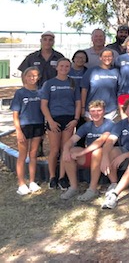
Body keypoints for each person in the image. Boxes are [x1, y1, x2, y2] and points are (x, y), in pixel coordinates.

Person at [59, 100, 114, 201]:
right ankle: (73, 187)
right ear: (89, 112)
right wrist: (66, 150)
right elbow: (71, 140)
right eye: (93, 111)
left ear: (104, 111)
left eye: (99, 110)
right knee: (69, 152)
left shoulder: (109, 124)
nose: (96, 114)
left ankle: (92, 189)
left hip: (105, 158)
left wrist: (81, 153)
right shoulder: (87, 125)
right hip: (90, 156)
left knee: (97, 152)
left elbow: (100, 142)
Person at [40, 58, 82, 190]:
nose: (64, 68)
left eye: (67, 66)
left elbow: (78, 103)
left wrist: (75, 119)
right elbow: (44, 105)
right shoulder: (49, 84)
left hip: (69, 120)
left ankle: (62, 178)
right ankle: (52, 177)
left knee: (65, 149)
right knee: (54, 149)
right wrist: (50, 121)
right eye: (62, 66)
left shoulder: (73, 82)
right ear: (57, 67)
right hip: (54, 120)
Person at [11, 67, 44, 195]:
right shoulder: (20, 93)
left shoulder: (40, 92)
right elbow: (15, 114)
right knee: (22, 155)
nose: (33, 78)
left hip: (38, 125)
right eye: (30, 76)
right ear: (25, 77)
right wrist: (18, 131)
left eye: (35, 76)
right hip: (25, 126)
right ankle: (21, 183)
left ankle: (31, 181)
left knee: (33, 154)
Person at [81, 49, 120, 120]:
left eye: (109, 56)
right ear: (100, 58)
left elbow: (119, 91)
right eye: (105, 56)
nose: (107, 58)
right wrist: (82, 107)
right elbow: (84, 89)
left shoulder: (116, 72)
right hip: (92, 110)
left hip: (111, 111)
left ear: (113, 57)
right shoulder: (91, 71)